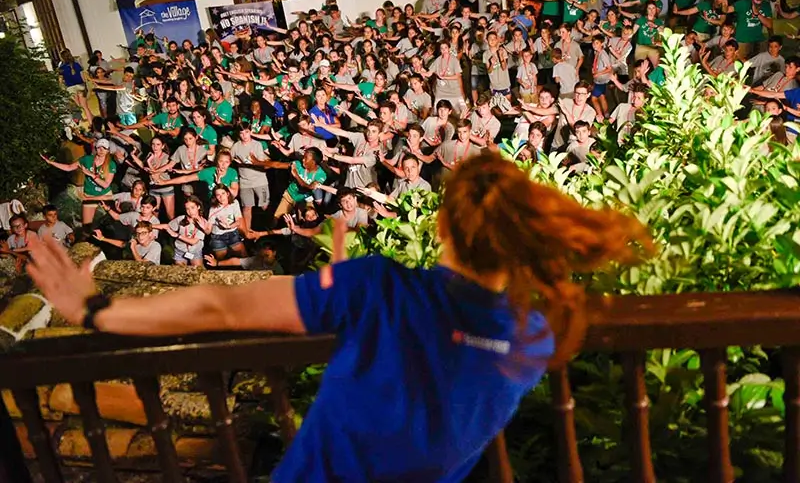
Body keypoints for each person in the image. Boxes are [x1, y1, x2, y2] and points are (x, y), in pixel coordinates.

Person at [26, 152, 652, 482]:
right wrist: (339, 274)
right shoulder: (535, 332)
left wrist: (94, 308)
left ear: (442, 225)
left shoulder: (378, 290)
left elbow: (222, 301)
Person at [42, 138, 117, 226]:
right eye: (99, 147)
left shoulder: (111, 164)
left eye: (104, 148)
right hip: (90, 194)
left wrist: (91, 175)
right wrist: (51, 162)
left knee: (114, 219)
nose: (101, 150)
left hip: (105, 194)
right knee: (86, 225)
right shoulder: (87, 159)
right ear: (96, 148)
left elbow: (105, 185)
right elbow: (69, 167)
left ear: (108, 151)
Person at [159, 196, 206, 266]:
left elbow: (193, 242)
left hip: (195, 250)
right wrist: (149, 226)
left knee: (198, 272)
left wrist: (177, 235)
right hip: (180, 250)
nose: (190, 211)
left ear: (198, 207)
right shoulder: (181, 218)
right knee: (179, 273)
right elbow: (167, 226)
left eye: (192, 207)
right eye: (187, 209)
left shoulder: (203, 222)